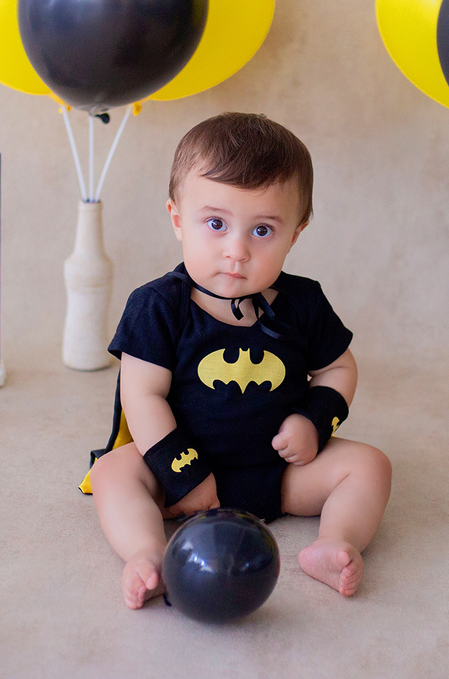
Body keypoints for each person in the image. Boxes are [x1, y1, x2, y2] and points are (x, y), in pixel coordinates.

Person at [88, 112, 392, 610]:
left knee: (370, 466)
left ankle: (336, 542)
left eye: (263, 230)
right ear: (177, 218)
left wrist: (315, 422)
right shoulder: (159, 306)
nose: (237, 251)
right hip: (179, 472)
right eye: (216, 224)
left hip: (278, 472)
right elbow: (141, 394)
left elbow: (339, 368)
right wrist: (181, 473)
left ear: (296, 232)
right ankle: (149, 554)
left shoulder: (303, 304)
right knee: (114, 474)